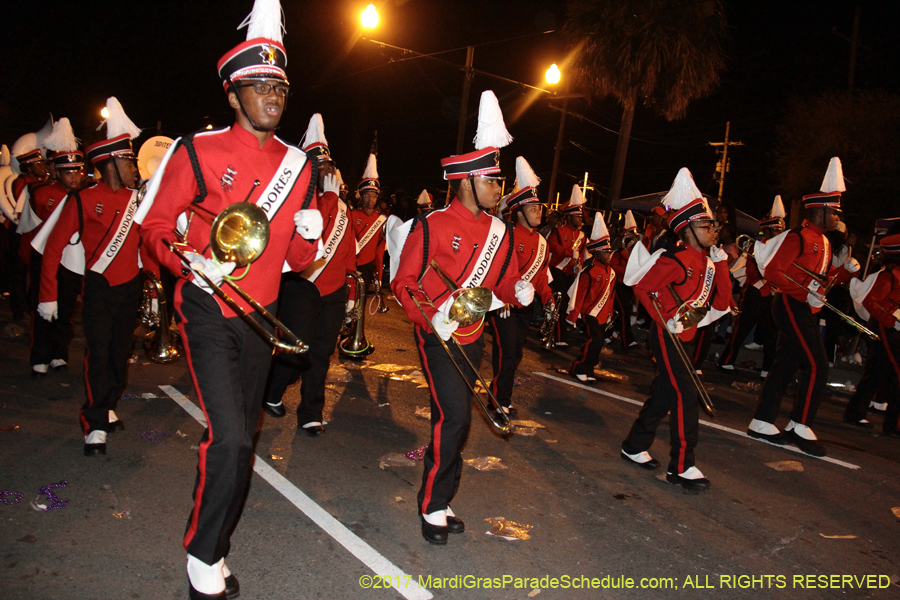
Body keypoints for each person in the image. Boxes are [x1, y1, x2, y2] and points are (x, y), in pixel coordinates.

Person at [136, 2, 322, 596]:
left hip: (260, 319)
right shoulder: (198, 150)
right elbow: (155, 229)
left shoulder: (299, 168)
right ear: (234, 93)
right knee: (233, 436)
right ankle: (203, 553)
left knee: (242, 439)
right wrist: (190, 258)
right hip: (208, 306)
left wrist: (309, 239)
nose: (273, 94)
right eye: (260, 84)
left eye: (281, 85)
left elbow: (294, 262)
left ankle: (215, 543)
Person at [390, 90, 532, 545]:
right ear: (467, 182)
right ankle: (432, 503)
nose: (499, 188)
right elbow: (404, 282)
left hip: (473, 334)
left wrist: (519, 289)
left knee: (455, 419)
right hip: (437, 333)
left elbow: (504, 282)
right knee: (454, 418)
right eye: (493, 180)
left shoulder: (502, 233)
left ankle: (442, 494)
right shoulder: (431, 225)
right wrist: (430, 317)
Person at [39, 97, 144, 458]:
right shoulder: (84, 200)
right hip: (99, 287)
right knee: (97, 353)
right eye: (129, 159)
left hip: (131, 287)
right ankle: (94, 420)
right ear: (111, 162)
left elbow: (150, 244)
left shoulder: (138, 200)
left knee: (119, 355)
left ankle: (108, 401)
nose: (134, 165)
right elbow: (53, 249)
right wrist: (48, 296)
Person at [621, 168, 731, 491]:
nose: (712, 230)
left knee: (665, 394)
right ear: (687, 230)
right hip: (666, 334)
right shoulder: (676, 259)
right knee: (685, 392)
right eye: (705, 225)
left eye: (711, 225)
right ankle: (682, 465)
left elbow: (722, 301)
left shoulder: (709, 263)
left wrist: (722, 261)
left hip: (687, 335)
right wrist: (665, 317)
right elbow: (642, 288)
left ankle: (634, 444)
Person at [748, 157, 855, 457]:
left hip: (804, 307)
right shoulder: (799, 236)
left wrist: (843, 272)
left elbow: (822, 282)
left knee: (786, 364)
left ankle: (762, 421)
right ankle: (800, 424)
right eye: (833, 211)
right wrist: (803, 289)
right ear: (819, 211)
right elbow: (773, 271)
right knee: (817, 364)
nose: (837, 217)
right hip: (790, 305)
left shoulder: (824, 241)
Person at [261, 112, 357, 434]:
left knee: (321, 353)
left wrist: (352, 295)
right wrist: (329, 198)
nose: (325, 172)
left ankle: (310, 413)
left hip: (332, 291)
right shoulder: (298, 199)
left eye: (328, 167)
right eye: (319, 166)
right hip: (300, 286)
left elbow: (347, 254)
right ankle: (272, 392)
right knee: (296, 350)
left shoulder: (342, 207)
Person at [20, 118, 85, 375]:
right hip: (44, 257)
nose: (75, 177)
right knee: (43, 307)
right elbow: (28, 227)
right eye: (69, 172)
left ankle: (59, 352)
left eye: (78, 171)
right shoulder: (40, 193)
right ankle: (40, 354)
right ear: (57, 172)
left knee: (66, 307)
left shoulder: (84, 195)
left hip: (71, 259)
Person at [487, 157, 552, 414]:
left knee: (515, 354)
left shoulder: (542, 242)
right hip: (504, 303)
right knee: (505, 351)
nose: (539, 211)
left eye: (539, 207)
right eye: (533, 207)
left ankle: (499, 393)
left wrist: (548, 299)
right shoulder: (508, 235)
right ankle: (500, 400)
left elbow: (542, 275)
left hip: (524, 306)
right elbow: (501, 270)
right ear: (519, 211)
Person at [718, 196, 785, 376]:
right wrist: (768, 283)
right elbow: (753, 270)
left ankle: (766, 368)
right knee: (741, 329)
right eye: (776, 230)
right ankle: (726, 360)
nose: (779, 234)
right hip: (755, 292)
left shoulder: (780, 247)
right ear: (768, 230)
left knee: (771, 333)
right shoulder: (757, 246)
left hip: (771, 294)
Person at [845, 233, 900, 434]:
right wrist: (893, 321)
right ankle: (894, 424)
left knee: (877, 372)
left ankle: (855, 412)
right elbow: (871, 301)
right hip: (887, 328)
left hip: (891, 326)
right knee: (895, 374)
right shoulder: (889, 275)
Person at [567, 212, 616, 382]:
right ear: (596, 253)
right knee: (593, 340)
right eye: (606, 252)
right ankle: (580, 366)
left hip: (602, 315)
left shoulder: (612, 272)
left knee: (599, 342)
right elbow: (579, 295)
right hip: (590, 313)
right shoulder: (589, 271)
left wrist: (609, 313)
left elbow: (611, 296)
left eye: (610, 252)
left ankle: (589, 368)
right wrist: (573, 315)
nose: (609, 255)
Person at [9, 132, 53, 320]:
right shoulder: (21, 183)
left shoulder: (40, 184)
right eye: (38, 163)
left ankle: (27, 304)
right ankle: (19, 310)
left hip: (35, 231)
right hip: (20, 230)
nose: (42, 166)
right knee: (18, 273)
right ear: (28, 166)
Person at [547, 184, 586, 347]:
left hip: (571, 274)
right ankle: (558, 336)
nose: (580, 220)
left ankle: (561, 335)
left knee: (567, 304)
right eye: (578, 216)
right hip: (557, 271)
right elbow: (553, 247)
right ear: (570, 216)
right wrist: (570, 253)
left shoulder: (582, 236)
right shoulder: (558, 231)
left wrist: (579, 264)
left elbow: (583, 254)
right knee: (560, 304)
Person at [351, 153, 386, 299]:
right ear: (361, 196)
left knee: (361, 306)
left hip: (367, 266)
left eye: (374, 195)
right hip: (349, 265)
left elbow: (379, 251)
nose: (370, 199)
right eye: (367, 195)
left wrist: (378, 276)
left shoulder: (382, 220)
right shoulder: (351, 215)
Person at [609, 210, 639, 350]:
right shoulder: (618, 247)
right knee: (623, 312)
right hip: (619, 285)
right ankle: (626, 339)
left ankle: (610, 334)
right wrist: (628, 271)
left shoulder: (635, 250)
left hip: (628, 285)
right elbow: (613, 265)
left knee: (620, 311)